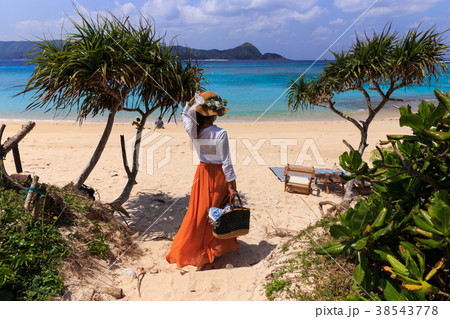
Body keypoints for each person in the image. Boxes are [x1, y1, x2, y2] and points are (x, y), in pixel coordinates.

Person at [166, 91, 240, 269]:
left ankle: (195, 247)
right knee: (219, 212)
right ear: (214, 114)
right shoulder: (220, 133)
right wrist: (231, 186)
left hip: (202, 173)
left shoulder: (194, 130)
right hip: (219, 176)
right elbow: (226, 162)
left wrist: (191, 103)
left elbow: (185, 115)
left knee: (200, 213)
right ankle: (213, 248)